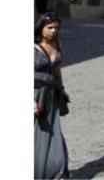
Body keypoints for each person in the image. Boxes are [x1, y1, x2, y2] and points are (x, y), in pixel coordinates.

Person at [35, 11, 69, 179]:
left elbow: (56, 71)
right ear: (41, 27)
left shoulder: (56, 45)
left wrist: (61, 91)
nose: (54, 31)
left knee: (53, 132)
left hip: (51, 94)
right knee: (36, 135)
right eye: (50, 28)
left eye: (57, 28)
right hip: (35, 94)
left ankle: (56, 171)